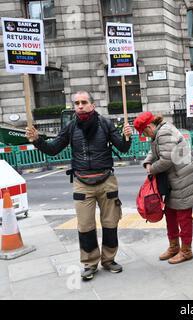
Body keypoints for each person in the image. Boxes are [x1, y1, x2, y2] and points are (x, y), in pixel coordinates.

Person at [25, 91, 133, 281]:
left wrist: (127, 137)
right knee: (85, 226)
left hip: (107, 181)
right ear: (74, 106)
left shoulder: (105, 123)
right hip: (82, 184)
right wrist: (37, 140)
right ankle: (90, 264)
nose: (80, 106)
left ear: (92, 105)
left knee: (110, 223)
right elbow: (53, 149)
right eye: (77, 103)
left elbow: (123, 148)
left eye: (84, 102)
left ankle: (109, 260)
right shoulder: (70, 127)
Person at [134, 112, 193, 264]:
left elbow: (167, 159)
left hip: (183, 180)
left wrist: (152, 169)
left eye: (144, 132)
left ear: (148, 127)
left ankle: (186, 250)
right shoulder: (159, 132)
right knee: (170, 214)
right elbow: (153, 151)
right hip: (173, 181)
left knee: (183, 216)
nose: (146, 136)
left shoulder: (164, 132)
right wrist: (148, 162)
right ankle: (174, 246)